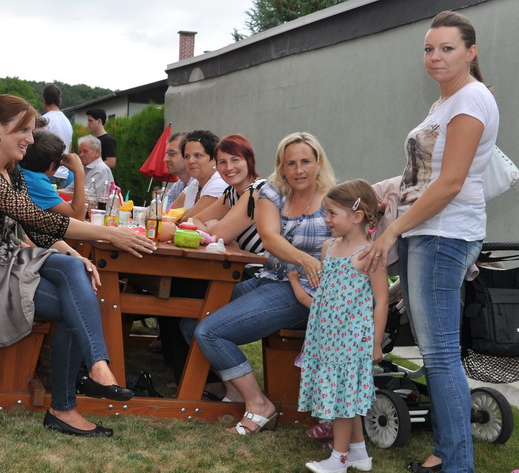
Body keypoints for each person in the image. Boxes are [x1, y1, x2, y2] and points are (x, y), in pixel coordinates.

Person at [0, 94, 156, 437]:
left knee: (77, 272)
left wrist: (74, 254)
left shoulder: (11, 171)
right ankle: (65, 407)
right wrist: (110, 234)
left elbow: (35, 228)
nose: (30, 139)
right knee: (77, 307)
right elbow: (38, 218)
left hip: (6, 262)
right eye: (23, 130)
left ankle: (97, 368)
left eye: (31, 131)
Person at [360, 11, 498, 473]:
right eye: (428, 49)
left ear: (470, 52)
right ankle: (447, 455)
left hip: (443, 235)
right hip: (430, 231)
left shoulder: (470, 99)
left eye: (447, 48)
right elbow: (425, 176)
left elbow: (450, 182)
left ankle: (455, 463)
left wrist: (393, 230)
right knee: (437, 354)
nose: (435, 57)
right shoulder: (447, 101)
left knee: (439, 355)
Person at [183, 132, 336, 434]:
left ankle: (259, 404)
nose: (298, 170)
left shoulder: (333, 199)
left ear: (319, 163)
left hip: (305, 293)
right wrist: (304, 259)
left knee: (209, 331)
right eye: (290, 163)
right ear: (281, 167)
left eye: (305, 162)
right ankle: (236, 389)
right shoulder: (273, 193)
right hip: (269, 278)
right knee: (190, 323)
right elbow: (269, 238)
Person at [298, 180, 388, 473]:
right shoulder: (328, 248)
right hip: (327, 336)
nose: (326, 219)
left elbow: (382, 300)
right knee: (345, 396)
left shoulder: (369, 255)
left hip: (351, 339)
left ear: (357, 216)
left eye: (332, 213)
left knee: (342, 399)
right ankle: (359, 454)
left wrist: (375, 343)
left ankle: (339, 460)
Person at [191, 134, 267, 276]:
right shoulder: (232, 193)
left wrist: (213, 227)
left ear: (249, 160)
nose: (229, 167)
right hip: (238, 267)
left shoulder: (258, 191)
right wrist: (216, 235)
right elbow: (192, 221)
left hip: (263, 274)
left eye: (235, 160)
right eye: (222, 162)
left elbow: (219, 235)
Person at [19, 129, 86, 220]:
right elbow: (77, 216)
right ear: (52, 165)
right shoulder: (37, 182)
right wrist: (79, 172)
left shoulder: (23, 172)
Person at [178, 130, 228, 221]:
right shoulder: (195, 184)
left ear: (214, 158)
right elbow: (169, 214)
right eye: (187, 156)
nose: (191, 161)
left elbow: (187, 222)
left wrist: (182, 216)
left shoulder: (219, 184)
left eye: (198, 155)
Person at [59, 135, 113, 201]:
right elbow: (69, 189)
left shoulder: (101, 170)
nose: (81, 155)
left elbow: (87, 197)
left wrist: (59, 193)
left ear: (97, 152)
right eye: (80, 152)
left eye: (85, 151)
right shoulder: (85, 168)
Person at [42, 84, 74, 188]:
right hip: (63, 173)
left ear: (43, 99)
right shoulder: (67, 122)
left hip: (47, 171)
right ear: (60, 101)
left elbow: (39, 148)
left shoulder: (44, 120)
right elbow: (69, 147)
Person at [163, 132, 193, 207]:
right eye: (166, 154)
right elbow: (161, 209)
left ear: (187, 155)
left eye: (171, 153)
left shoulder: (199, 183)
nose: (165, 159)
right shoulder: (178, 186)